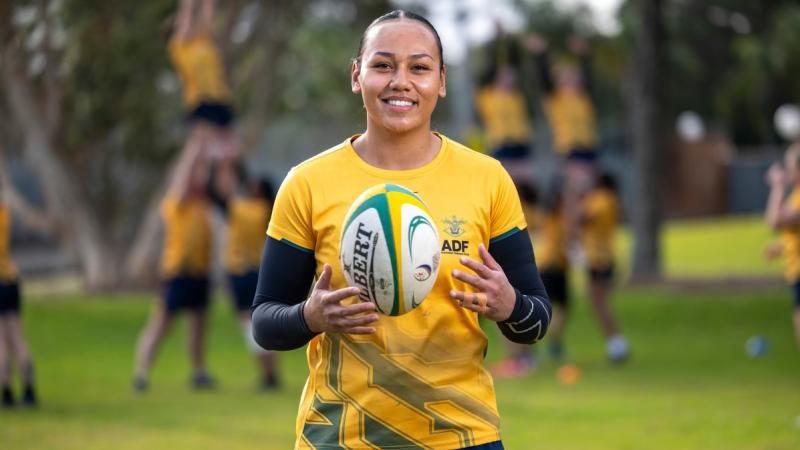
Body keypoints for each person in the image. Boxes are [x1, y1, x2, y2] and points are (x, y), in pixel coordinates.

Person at [251, 11, 551, 449]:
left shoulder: (487, 180)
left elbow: (536, 319)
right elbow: (264, 320)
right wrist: (308, 317)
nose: (401, 81)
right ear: (357, 75)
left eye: (420, 67)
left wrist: (510, 306)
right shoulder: (308, 183)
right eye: (383, 64)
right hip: (340, 438)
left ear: (442, 81)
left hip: (463, 437)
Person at [133, 143, 215, 392]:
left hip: (200, 273)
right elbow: (184, 176)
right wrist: (195, 147)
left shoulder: (204, 206)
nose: (197, 181)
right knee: (160, 325)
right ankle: (141, 373)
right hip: (178, 272)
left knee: (198, 326)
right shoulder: (176, 203)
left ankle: (199, 372)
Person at [209, 158, 280, 389]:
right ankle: (272, 372)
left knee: (249, 325)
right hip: (261, 270)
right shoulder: (269, 210)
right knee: (265, 320)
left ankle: (267, 373)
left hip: (240, 271)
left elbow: (217, 196)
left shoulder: (243, 210)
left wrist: (218, 164)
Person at [523, 33, 599, 242]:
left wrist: (583, 55)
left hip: (589, 150)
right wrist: (540, 54)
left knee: (590, 199)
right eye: (567, 75)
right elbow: (543, 78)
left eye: (574, 75)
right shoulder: (555, 99)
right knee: (572, 195)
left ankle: (584, 239)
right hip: (570, 150)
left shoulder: (584, 97)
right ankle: (572, 240)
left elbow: (589, 74)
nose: (572, 78)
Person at [169, 0, 237, 160]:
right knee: (200, 148)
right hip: (200, 100)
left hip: (220, 98)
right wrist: (187, 5)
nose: (189, 25)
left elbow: (208, 12)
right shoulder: (180, 48)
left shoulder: (202, 41)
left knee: (230, 150)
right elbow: (185, 16)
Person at [578, 172, 629, 363]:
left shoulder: (601, 200)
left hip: (598, 259)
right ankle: (615, 344)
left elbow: (583, 217)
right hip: (604, 256)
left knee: (600, 305)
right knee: (599, 304)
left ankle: (617, 345)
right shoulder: (612, 200)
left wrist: (578, 198)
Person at [0, 181, 38, 407]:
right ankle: (29, 390)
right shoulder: (5, 212)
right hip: (11, 278)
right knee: (17, 338)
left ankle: (6, 393)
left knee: (1, 342)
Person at [764, 143, 800, 349]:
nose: (787, 171)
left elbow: (774, 221)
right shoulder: (795, 196)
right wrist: (781, 247)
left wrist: (777, 187)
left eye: (790, 166)